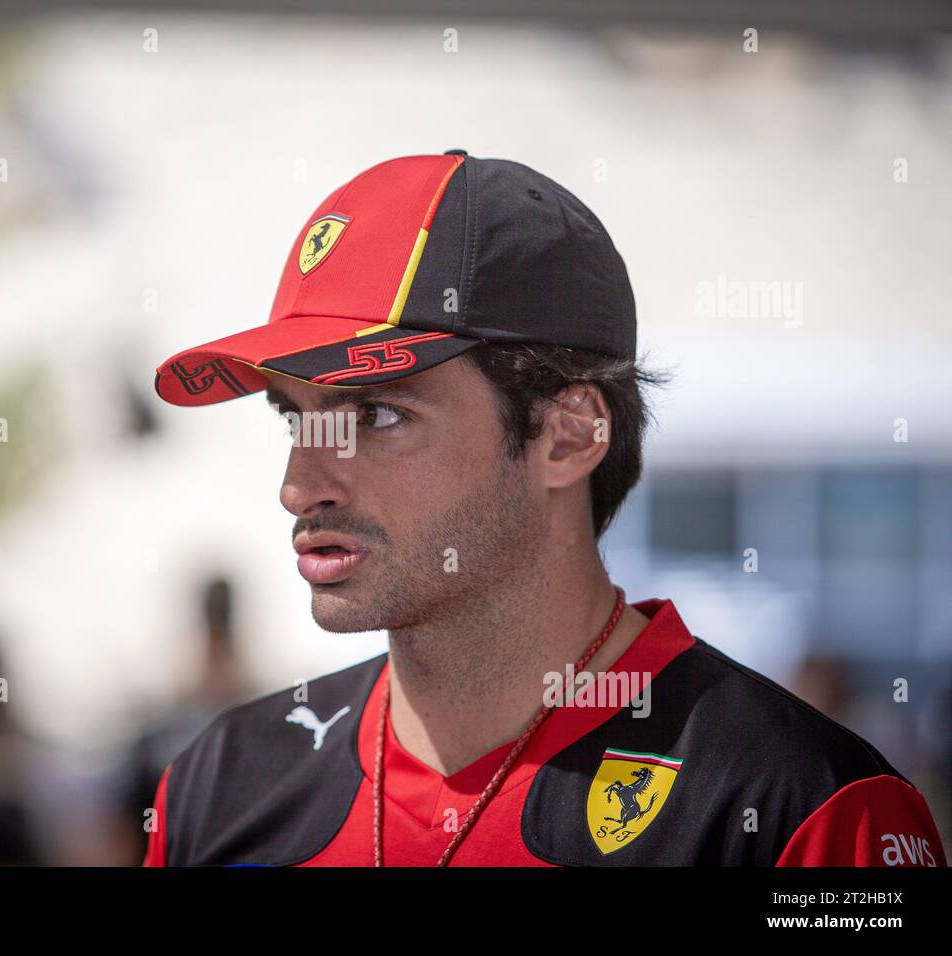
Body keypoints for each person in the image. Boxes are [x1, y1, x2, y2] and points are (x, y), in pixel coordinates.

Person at [143, 150, 946, 867]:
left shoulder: (799, 810)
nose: (300, 486)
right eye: (297, 417)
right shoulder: (220, 785)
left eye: (376, 416)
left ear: (568, 436)